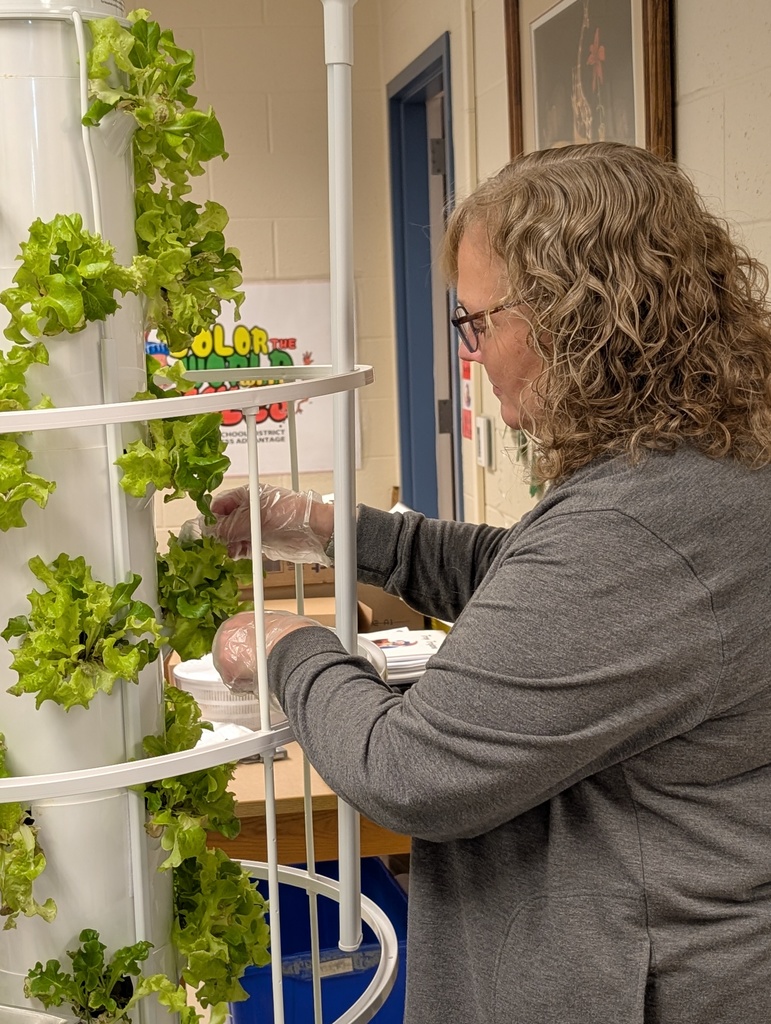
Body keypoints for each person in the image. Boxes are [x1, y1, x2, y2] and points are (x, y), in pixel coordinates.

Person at [210, 142, 771, 1024]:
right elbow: (535, 582)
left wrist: (290, 648)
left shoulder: (639, 523)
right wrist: (329, 532)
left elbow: (411, 772)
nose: (471, 357)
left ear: (572, 313)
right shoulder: (697, 468)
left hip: (648, 985)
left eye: (477, 322)